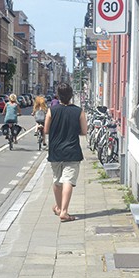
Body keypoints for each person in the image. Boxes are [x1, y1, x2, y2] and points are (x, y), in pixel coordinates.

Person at [44, 83, 87, 222]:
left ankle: (58, 207)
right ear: (71, 96)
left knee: (57, 180)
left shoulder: (52, 110)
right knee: (68, 180)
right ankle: (64, 211)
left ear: (58, 95)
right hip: (72, 150)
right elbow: (84, 131)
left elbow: (46, 130)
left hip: (55, 150)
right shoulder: (79, 111)